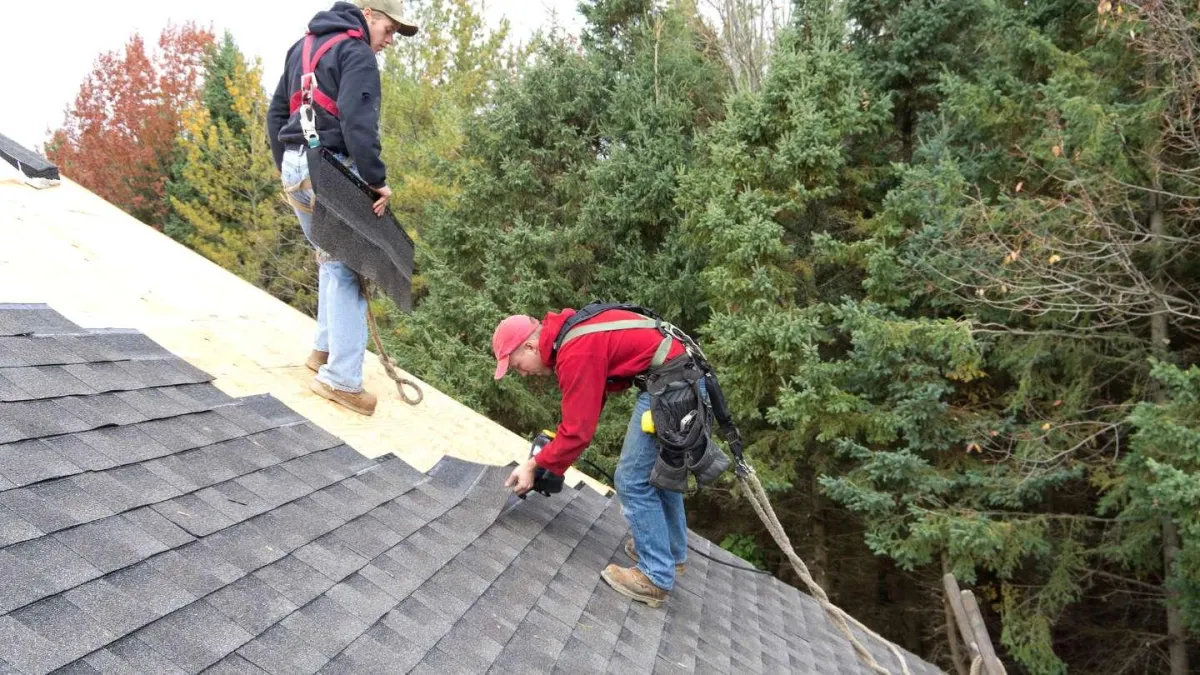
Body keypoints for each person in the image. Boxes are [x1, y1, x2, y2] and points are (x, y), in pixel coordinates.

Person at [267, 1, 417, 416]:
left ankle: (323, 350)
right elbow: (358, 123)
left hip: (297, 166)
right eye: (389, 29)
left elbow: (277, 113)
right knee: (351, 271)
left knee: (329, 260)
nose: (390, 40)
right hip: (331, 170)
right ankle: (342, 380)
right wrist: (375, 180)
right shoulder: (357, 54)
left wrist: (291, 166)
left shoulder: (303, 47)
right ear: (368, 13)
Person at [494, 306, 692, 608]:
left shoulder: (576, 349)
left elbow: (577, 433)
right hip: (680, 375)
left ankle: (655, 576)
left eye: (518, 365)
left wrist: (534, 464)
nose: (522, 373)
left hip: (671, 382)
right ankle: (672, 553)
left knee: (631, 479)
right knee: (656, 471)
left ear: (531, 346)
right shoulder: (572, 336)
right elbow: (585, 414)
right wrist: (553, 459)